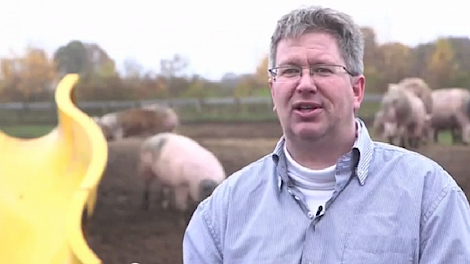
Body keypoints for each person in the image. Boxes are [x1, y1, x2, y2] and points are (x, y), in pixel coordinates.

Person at [182, 5, 470, 264]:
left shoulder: (431, 198)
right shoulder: (220, 214)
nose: (305, 84)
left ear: (356, 90)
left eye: (322, 69)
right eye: (290, 71)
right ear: (273, 90)